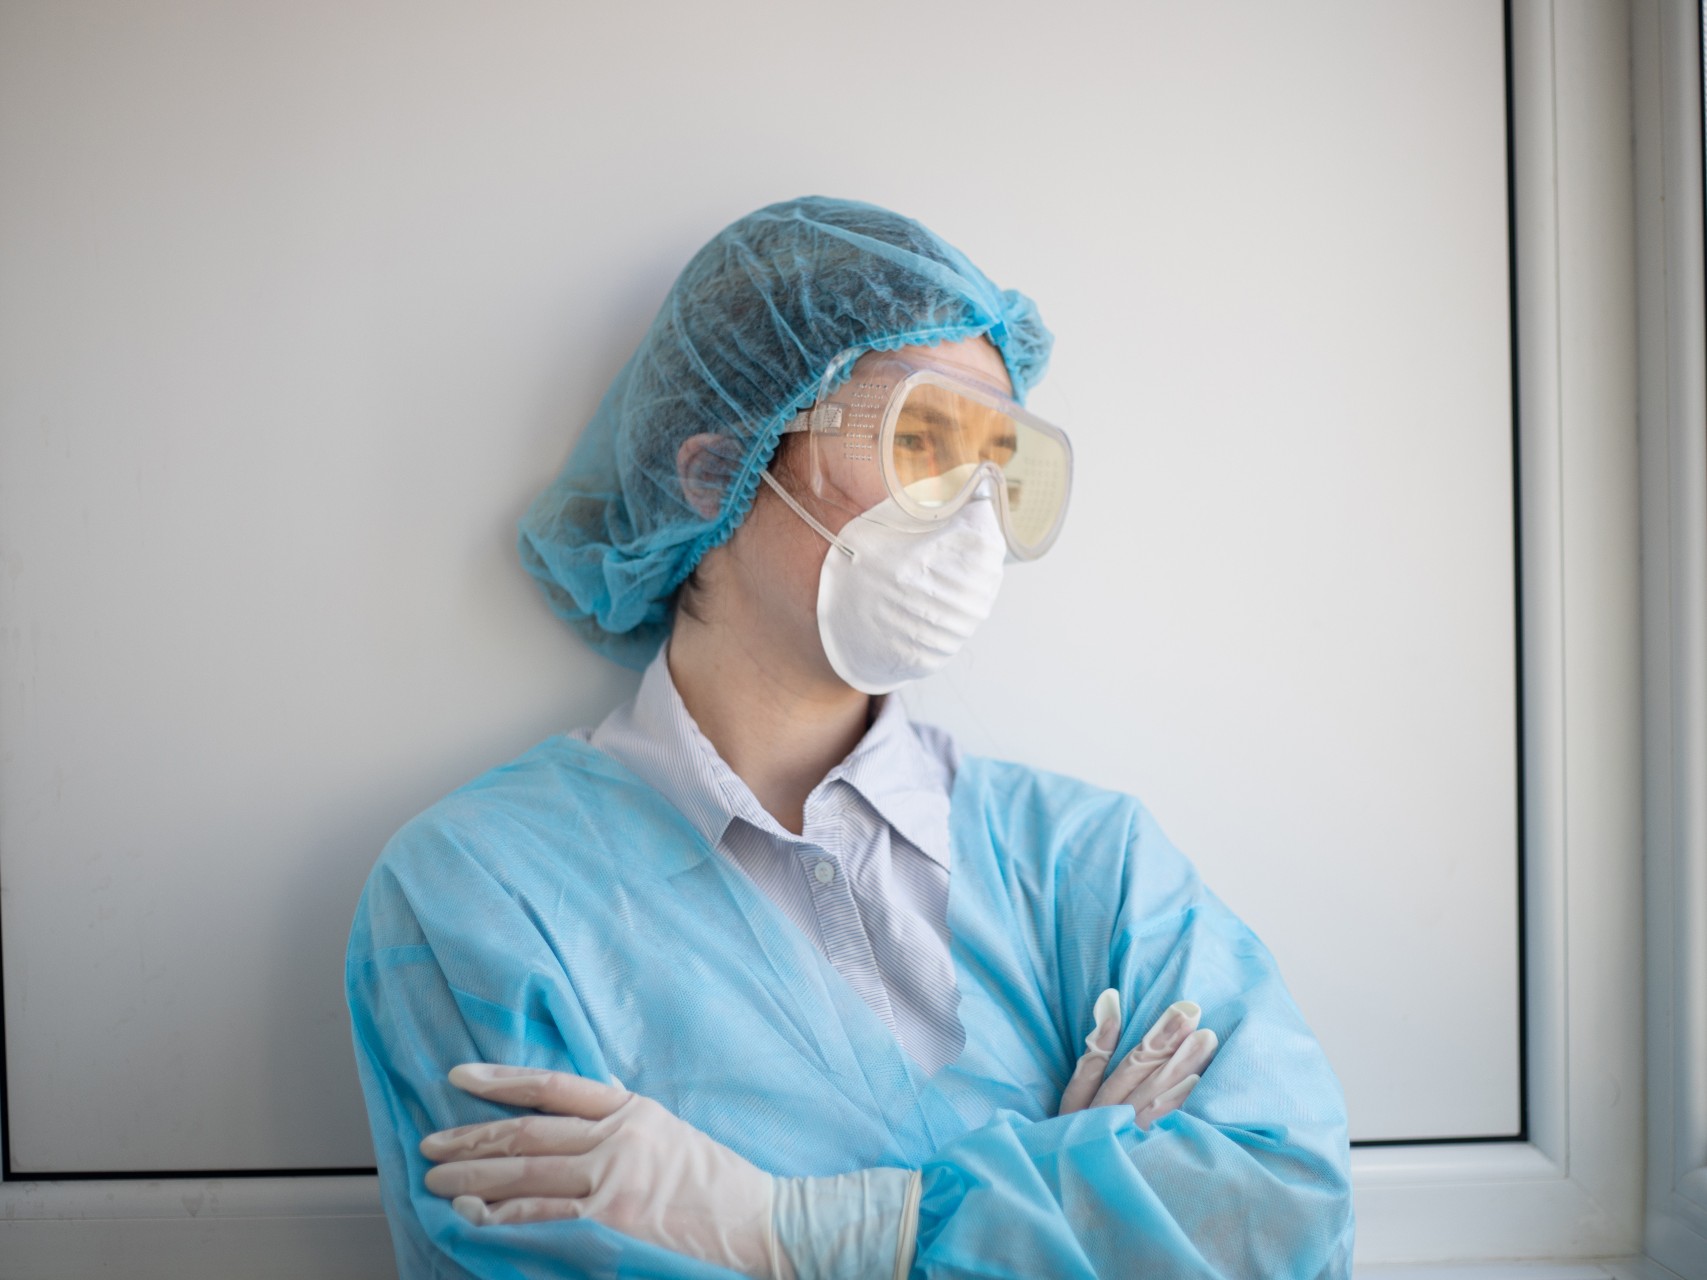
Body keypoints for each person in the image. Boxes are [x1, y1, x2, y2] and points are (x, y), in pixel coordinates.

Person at [345, 195, 1356, 1279]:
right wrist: (1076, 1198)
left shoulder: (1088, 863)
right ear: (714, 469)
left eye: (1003, 465)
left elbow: (1284, 1215)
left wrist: (801, 1231)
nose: (975, 511)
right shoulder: (481, 894)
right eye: (920, 440)